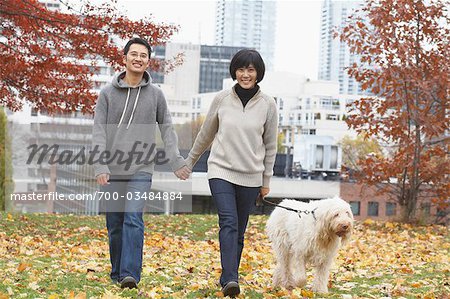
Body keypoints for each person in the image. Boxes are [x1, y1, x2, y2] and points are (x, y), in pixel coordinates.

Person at [92, 37, 191, 289]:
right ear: (124, 58)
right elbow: (98, 132)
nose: (138, 58)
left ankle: (130, 275)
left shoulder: (156, 95)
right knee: (114, 222)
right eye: (133, 54)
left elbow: (167, 129)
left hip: (141, 169)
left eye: (143, 55)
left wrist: (176, 161)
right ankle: (117, 271)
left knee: (133, 218)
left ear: (148, 61)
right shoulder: (106, 94)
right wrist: (100, 165)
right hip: (113, 168)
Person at [185, 49, 278, 297]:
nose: (245, 74)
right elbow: (206, 133)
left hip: (251, 175)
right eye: (241, 69)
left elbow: (271, 145)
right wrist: (190, 161)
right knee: (228, 221)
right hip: (221, 169)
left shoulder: (268, 104)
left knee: (239, 228)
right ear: (234, 71)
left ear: (258, 73)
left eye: (250, 69)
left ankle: (228, 274)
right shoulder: (222, 99)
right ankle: (231, 279)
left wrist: (265, 180)